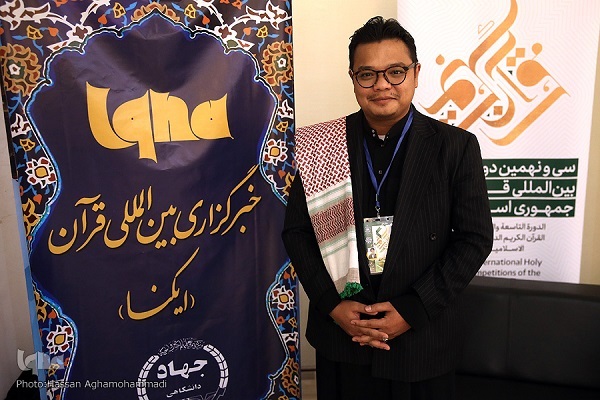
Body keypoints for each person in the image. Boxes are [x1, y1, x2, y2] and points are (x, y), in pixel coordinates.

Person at [282, 16, 493, 400]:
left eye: (396, 72)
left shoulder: (455, 146)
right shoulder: (321, 144)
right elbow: (297, 232)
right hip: (343, 339)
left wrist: (413, 309)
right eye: (368, 74)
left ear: (416, 73)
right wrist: (331, 305)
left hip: (422, 340)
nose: (382, 85)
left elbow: (474, 239)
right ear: (353, 78)